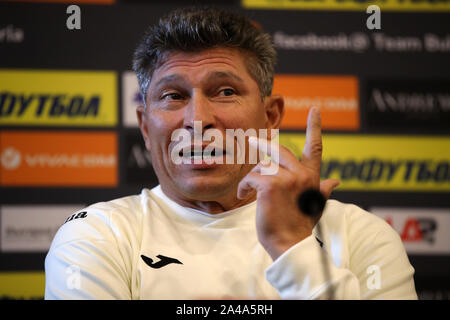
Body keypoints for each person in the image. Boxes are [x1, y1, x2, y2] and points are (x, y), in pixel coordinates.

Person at [44, 7, 417, 300]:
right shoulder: (95, 234)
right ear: (145, 125)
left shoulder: (361, 234)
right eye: (174, 96)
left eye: (224, 92)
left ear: (271, 117)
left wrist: (294, 249)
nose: (198, 120)